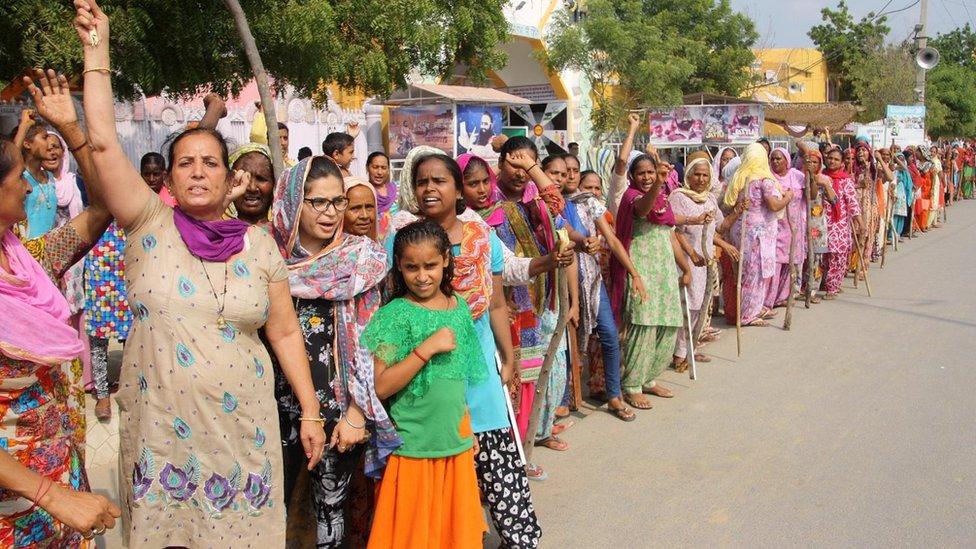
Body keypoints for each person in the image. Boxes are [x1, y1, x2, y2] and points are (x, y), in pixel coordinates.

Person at [73, 3, 327, 545]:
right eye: (184, 162)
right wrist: (97, 53)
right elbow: (101, 144)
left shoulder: (259, 247)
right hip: (161, 433)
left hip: (243, 432)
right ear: (169, 175)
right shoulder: (148, 223)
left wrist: (310, 412)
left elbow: (283, 332)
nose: (196, 171)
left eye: (209, 162)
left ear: (229, 175)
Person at [392, 153, 542, 547]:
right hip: (427, 374)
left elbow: (494, 302)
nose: (429, 189)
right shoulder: (403, 240)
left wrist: (508, 358)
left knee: (497, 460)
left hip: (477, 367)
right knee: (440, 469)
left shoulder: (480, 238)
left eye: (439, 181)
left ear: (458, 190)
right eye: (422, 181)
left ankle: (520, 539)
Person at [1, 65, 124, 546]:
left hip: (60, 484)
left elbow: (102, 209)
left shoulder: (27, 264)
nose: (29, 188)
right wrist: (52, 496)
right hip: (20, 504)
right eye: (17, 178)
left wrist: (72, 129)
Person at [270, 156, 395, 546]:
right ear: (294, 201)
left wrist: (357, 414)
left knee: (331, 514)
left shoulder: (361, 260)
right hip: (271, 408)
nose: (330, 213)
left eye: (337, 201)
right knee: (272, 510)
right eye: (317, 202)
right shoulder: (266, 259)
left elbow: (381, 340)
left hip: (339, 410)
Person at [363, 219, 488, 549]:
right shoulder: (395, 315)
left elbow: (457, 377)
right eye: (411, 267)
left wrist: (467, 425)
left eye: (430, 265)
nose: (422, 276)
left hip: (454, 443)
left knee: (453, 536)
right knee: (414, 537)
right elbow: (381, 386)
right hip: (413, 447)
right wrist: (426, 349)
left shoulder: (458, 307)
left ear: (446, 259)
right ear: (399, 268)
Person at [560, 153, 647, 422]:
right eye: (566, 171)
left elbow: (612, 239)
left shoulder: (590, 204)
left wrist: (634, 273)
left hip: (593, 279)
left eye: (574, 170)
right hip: (562, 279)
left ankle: (614, 395)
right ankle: (564, 398)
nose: (571, 175)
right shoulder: (552, 204)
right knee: (565, 342)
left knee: (609, 335)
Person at [610, 144, 692, 410]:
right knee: (642, 326)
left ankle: (649, 379)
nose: (646, 177)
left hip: (665, 271)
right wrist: (658, 182)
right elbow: (644, 210)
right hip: (641, 270)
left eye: (650, 172)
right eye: (642, 173)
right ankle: (632, 384)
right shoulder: (634, 197)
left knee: (668, 324)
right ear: (633, 177)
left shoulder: (662, 200)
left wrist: (686, 267)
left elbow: (669, 235)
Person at [669, 157, 738, 368]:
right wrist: (691, 253)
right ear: (688, 175)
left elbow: (720, 227)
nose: (700, 179)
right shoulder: (678, 197)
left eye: (705, 175)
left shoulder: (708, 199)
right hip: (685, 260)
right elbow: (674, 229)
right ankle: (679, 353)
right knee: (687, 306)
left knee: (700, 306)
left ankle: (690, 347)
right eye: (697, 174)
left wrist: (738, 211)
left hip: (705, 262)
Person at [720, 143, 791, 326]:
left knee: (743, 273)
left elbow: (727, 203)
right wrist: (788, 197)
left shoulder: (738, 177)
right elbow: (774, 205)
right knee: (755, 275)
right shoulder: (764, 180)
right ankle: (747, 314)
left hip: (739, 229)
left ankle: (748, 308)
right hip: (758, 233)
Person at [765, 147, 807, 309]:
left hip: (793, 226)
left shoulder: (797, 176)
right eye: (773, 159)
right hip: (774, 226)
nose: (775, 162)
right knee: (775, 263)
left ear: (787, 161)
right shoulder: (768, 178)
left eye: (779, 159)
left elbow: (810, 194)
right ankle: (769, 299)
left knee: (790, 263)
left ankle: (783, 296)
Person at [821, 147, 863, 299]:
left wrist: (860, 222)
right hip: (821, 222)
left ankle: (833, 287)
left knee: (838, 256)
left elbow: (852, 203)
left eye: (836, 159)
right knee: (823, 255)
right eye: (830, 158)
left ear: (841, 163)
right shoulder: (821, 176)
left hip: (839, 224)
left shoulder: (846, 180)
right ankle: (824, 282)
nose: (832, 161)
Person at [13, 112, 57, 239]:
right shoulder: (20, 177)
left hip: (48, 250)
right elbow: (12, 162)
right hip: (25, 250)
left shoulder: (50, 177)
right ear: (27, 144)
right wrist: (24, 126)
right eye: (45, 137)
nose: (51, 143)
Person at [800, 150, 835, 302]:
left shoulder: (824, 179)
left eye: (815, 162)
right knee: (801, 259)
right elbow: (809, 195)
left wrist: (824, 184)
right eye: (810, 162)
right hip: (801, 222)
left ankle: (812, 290)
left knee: (816, 259)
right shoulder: (799, 178)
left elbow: (834, 200)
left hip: (817, 225)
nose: (812, 165)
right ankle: (799, 289)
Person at [229, 143, 274, 225]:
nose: (252, 188)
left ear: (274, 184)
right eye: (244, 179)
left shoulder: (285, 234)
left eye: (261, 179)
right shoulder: (216, 231)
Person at [344, 176, 379, 240]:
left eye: (369, 207)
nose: (365, 216)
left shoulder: (376, 247)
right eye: (355, 208)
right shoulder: (331, 249)